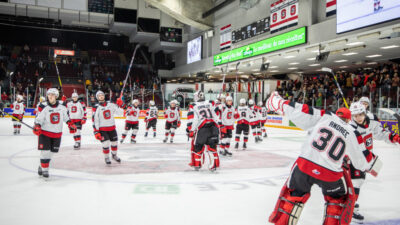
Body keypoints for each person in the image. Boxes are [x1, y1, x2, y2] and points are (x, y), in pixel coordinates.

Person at [266, 92, 380, 225]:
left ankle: (283, 221)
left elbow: (300, 111)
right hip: (330, 174)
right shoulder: (352, 132)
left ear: (337, 115)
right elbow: (362, 160)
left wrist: (278, 102)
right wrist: (373, 167)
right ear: (350, 120)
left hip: (304, 167)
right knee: (337, 201)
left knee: (292, 196)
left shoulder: (325, 115)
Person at [348, 101, 399, 223]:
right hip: (353, 157)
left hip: (366, 156)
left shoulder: (372, 120)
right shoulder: (350, 127)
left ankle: (351, 203)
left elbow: (380, 133)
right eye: (355, 116)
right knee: (356, 182)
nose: (358, 118)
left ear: (365, 112)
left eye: (360, 114)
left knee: (359, 182)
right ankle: (350, 209)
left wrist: (393, 137)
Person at [33, 88, 77, 178]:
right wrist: (37, 126)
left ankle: (42, 166)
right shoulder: (43, 106)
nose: (50, 97)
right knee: (45, 152)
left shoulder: (62, 106)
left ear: (56, 96)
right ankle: (45, 170)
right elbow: (38, 119)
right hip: (45, 133)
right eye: (49, 95)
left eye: (53, 95)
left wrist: (70, 124)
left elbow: (66, 117)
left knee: (52, 153)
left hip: (57, 133)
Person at [187, 91, 220, 171]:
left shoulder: (193, 105)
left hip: (202, 129)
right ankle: (214, 166)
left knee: (198, 147)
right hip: (214, 128)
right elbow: (217, 114)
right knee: (212, 147)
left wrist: (190, 130)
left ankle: (197, 165)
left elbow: (193, 119)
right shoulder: (211, 102)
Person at [92, 90, 124, 165]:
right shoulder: (96, 107)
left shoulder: (111, 104)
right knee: (105, 144)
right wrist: (96, 131)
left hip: (112, 128)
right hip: (102, 130)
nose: (101, 96)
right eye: (99, 96)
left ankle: (114, 155)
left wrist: (120, 105)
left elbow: (120, 113)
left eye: (102, 95)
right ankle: (106, 157)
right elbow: (95, 120)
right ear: (97, 97)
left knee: (114, 143)